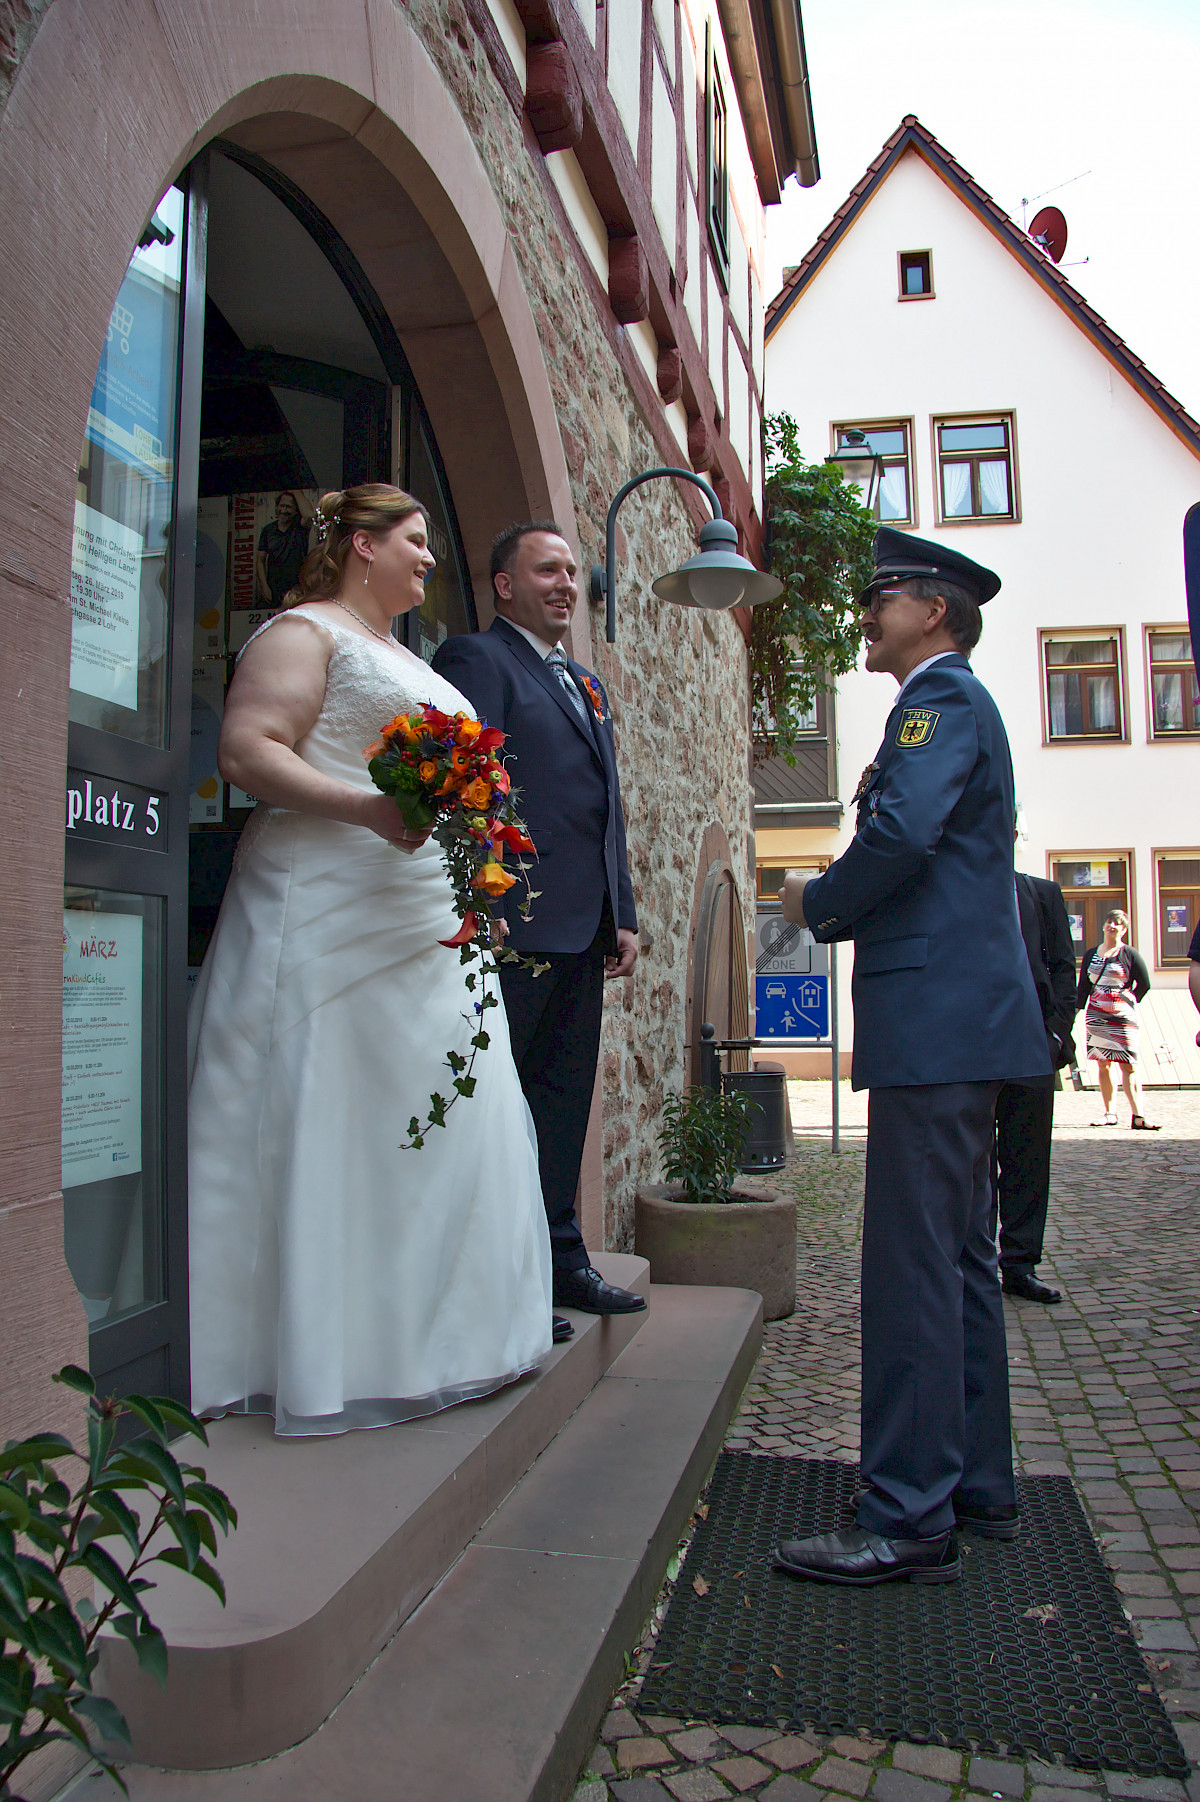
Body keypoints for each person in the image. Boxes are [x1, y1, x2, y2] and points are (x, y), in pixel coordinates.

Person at [187, 484, 556, 1436]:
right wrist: (365, 809)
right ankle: (312, 1354)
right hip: (325, 904)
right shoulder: (303, 635)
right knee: (332, 1114)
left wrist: (477, 868)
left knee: (437, 1121)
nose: (431, 559)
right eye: (415, 540)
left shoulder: (409, 656)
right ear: (361, 544)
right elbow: (246, 749)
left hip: (423, 919)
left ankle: (445, 1341)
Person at [771, 527, 1049, 1588]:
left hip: (936, 1022)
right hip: (960, 1020)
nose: (867, 615)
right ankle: (974, 1483)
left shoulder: (938, 702)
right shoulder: (953, 702)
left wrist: (817, 901)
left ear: (933, 610)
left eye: (882, 596)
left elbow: (900, 835)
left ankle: (905, 1514)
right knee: (962, 1260)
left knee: (912, 1268)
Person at [433, 523, 646, 1319]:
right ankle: (496, 1282)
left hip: (583, 932)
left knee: (562, 1102)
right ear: (504, 584)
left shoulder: (585, 683)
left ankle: (561, 1264)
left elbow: (606, 811)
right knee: (500, 1106)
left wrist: (620, 910)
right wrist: (477, 906)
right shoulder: (477, 660)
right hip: (510, 928)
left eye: (572, 572)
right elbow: (465, 789)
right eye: (546, 569)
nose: (566, 584)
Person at [993, 867, 1077, 1305]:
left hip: (1033, 1044)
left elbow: (1065, 967)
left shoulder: (1041, 893)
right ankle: (977, 1260)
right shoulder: (958, 885)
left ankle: (1020, 1266)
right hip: (974, 1046)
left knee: (1028, 1158)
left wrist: (1056, 1035)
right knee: (974, 1160)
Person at [1077, 910, 1157, 1129]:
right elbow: (1084, 985)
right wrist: (1076, 1010)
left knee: (1129, 1065)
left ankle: (1138, 1115)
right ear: (1104, 926)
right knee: (1104, 1064)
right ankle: (1110, 1112)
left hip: (1123, 1017)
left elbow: (1144, 983)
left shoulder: (1130, 953)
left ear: (1124, 929)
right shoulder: (1091, 954)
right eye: (1110, 921)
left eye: (1118, 923)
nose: (1112, 925)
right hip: (1097, 1015)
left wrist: (1128, 1001)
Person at [256, 491, 312, 607]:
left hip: (297, 590)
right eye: (281, 506)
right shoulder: (268, 530)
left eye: (288, 507)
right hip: (273, 589)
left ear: (296, 511)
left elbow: (309, 515)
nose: (284, 510)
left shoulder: (300, 527)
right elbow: (260, 560)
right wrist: (264, 587)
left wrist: (295, 491)